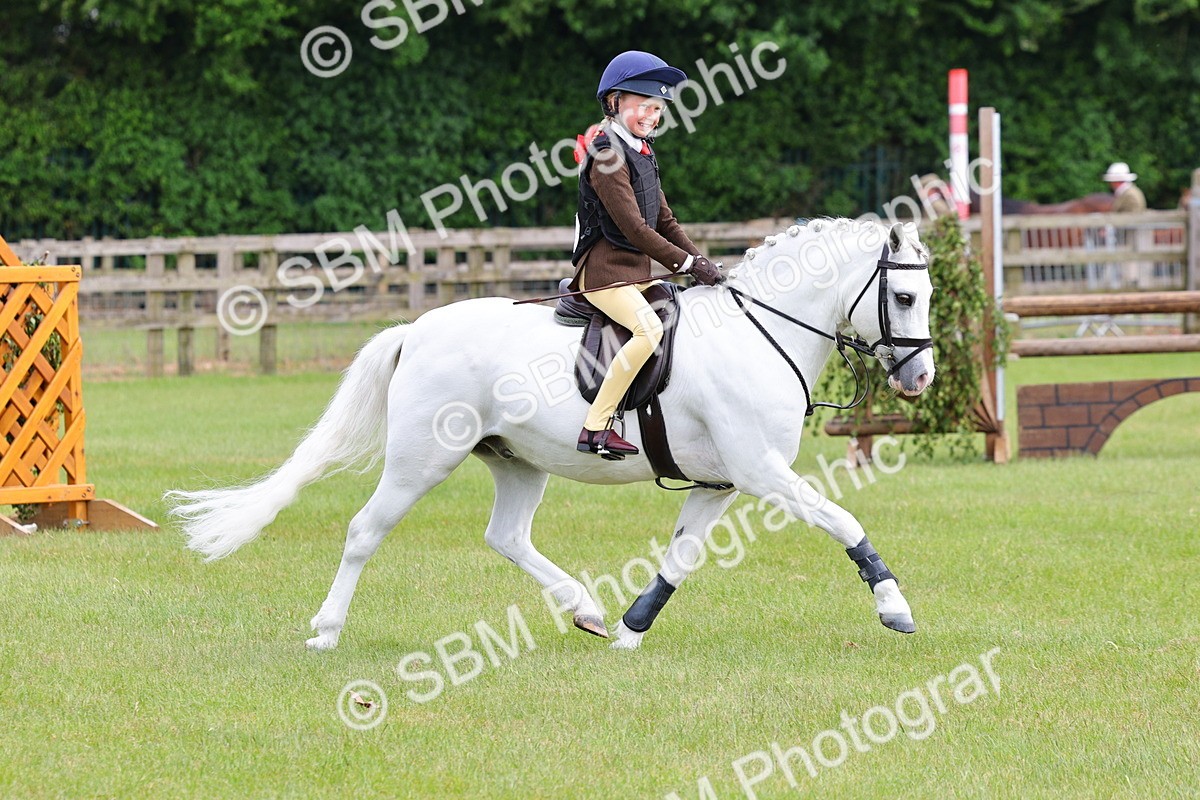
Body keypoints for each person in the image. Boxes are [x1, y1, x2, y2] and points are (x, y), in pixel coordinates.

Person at [570, 51, 722, 460]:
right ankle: (596, 427)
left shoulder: (641, 150)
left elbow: (665, 220)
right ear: (615, 101)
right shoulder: (606, 155)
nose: (652, 115)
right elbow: (636, 229)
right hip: (605, 273)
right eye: (643, 106)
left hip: (635, 273)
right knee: (649, 331)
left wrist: (705, 265)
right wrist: (687, 265)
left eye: (658, 108)